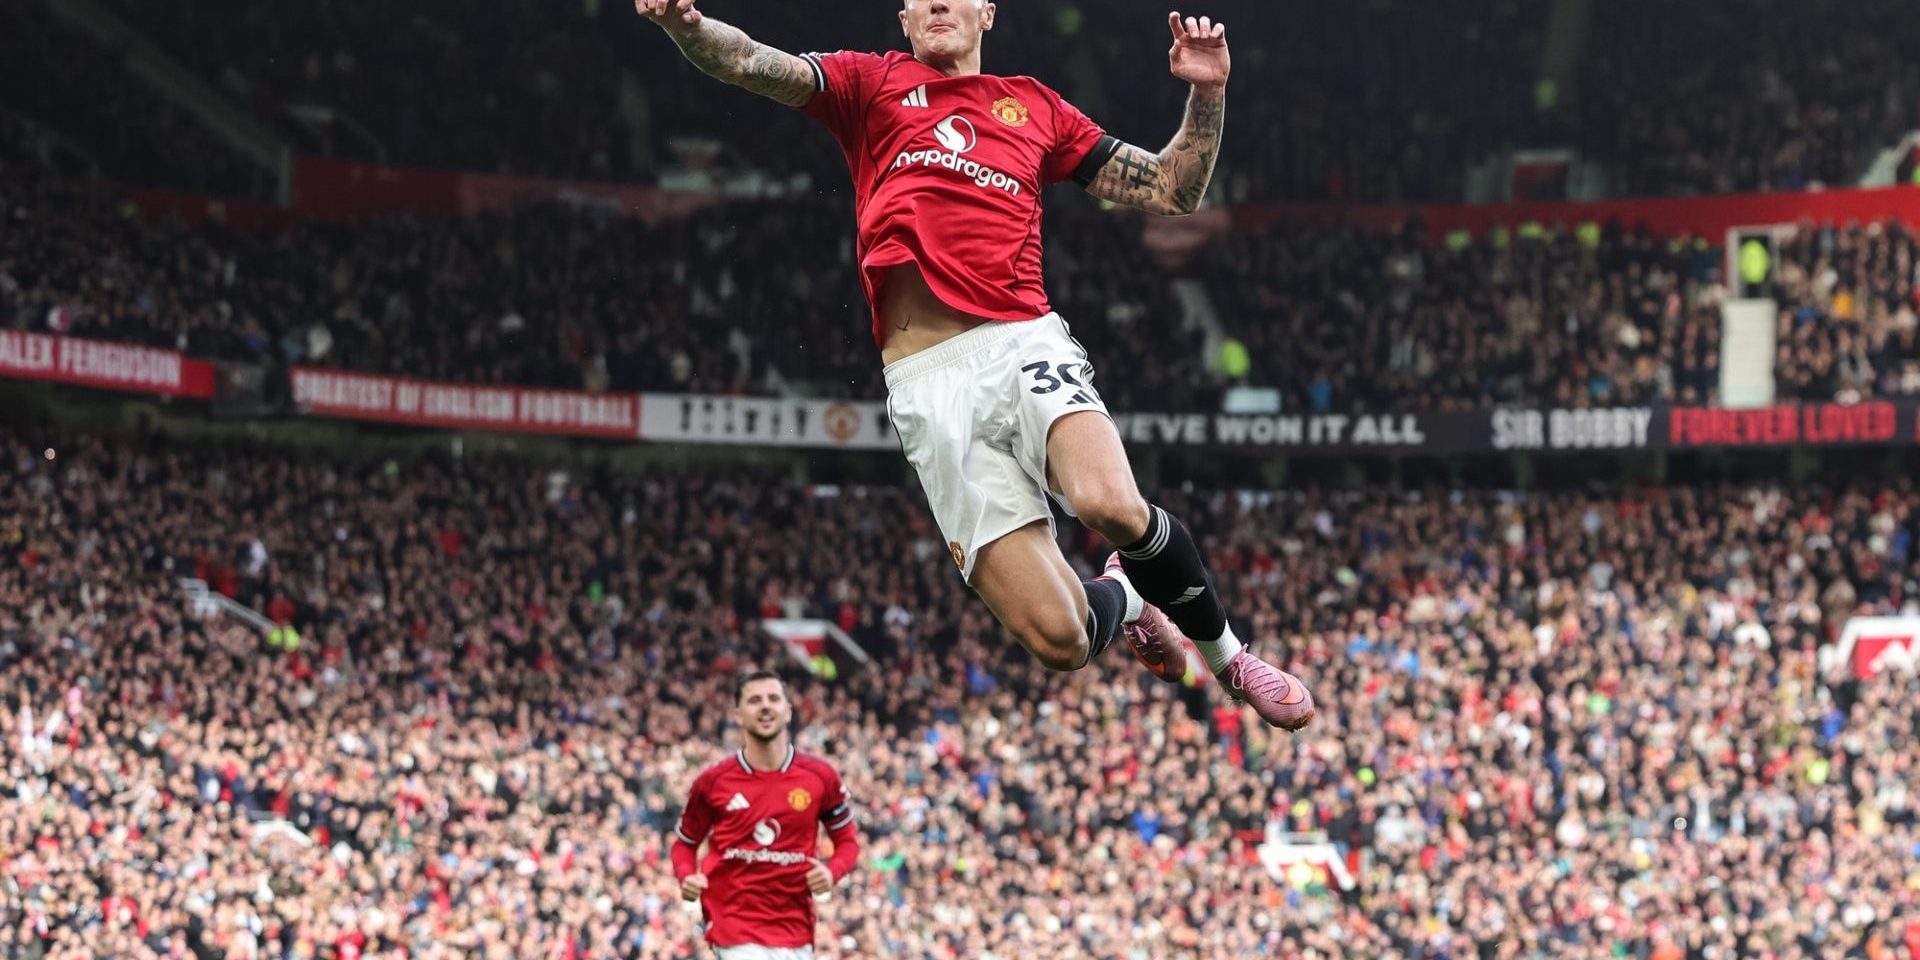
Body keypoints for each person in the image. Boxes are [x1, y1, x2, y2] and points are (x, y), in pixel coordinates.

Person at [637, 0, 1314, 730]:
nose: (935, 3)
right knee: (1061, 640)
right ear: (902, 19)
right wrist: (687, 26)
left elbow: (1172, 189)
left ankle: (1229, 657)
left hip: (1021, 342)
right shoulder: (871, 86)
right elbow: (746, 62)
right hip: (928, 388)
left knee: (1109, 504)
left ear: (985, 12)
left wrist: (1205, 95)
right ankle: (1130, 602)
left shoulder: (1033, 105)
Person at [672, 671, 861, 959]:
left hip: (794, 929)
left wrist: (832, 871)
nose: (765, 706)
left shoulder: (819, 777)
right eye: (754, 700)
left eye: (773, 699)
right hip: (732, 925)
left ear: (788, 711)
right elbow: (685, 842)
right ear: (738, 715)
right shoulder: (714, 781)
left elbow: (848, 841)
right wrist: (686, 876)